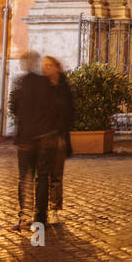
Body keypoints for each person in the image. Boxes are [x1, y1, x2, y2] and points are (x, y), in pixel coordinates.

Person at [12, 52, 59, 231]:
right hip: (45, 138)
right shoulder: (46, 83)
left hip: (26, 141)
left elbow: (18, 111)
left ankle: (24, 217)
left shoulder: (22, 83)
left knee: (24, 180)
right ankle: (40, 218)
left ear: (26, 64)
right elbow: (54, 110)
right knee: (42, 179)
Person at [45, 56, 74, 226]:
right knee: (41, 176)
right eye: (44, 66)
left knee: (56, 175)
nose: (46, 69)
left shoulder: (64, 89)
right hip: (41, 137)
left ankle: (54, 209)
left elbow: (70, 113)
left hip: (58, 137)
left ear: (57, 68)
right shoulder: (40, 88)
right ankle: (39, 208)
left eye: (49, 65)